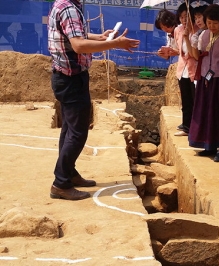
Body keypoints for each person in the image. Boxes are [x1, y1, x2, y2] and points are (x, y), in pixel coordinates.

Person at [48, 0, 140, 200]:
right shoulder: (69, 8)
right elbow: (79, 45)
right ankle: (61, 183)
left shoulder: (64, 4)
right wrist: (114, 43)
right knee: (77, 133)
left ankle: (68, 174)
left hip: (67, 77)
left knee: (69, 129)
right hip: (70, 79)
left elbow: (73, 36)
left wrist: (100, 37)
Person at [189, 4, 219, 162]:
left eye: (215, 23)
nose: (212, 26)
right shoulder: (203, 35)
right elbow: (197, 57)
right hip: (205, 80)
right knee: (205, 113)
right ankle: (208, 145)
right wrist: (192, 42)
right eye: (209, 22)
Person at [170, 3, 198, 137]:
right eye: (181, 17)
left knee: (195, 99)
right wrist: (169, 52)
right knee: (186, 100)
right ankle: (186, 126)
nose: (184, 20)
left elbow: (194, 53)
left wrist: (188, 36)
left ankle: (196, 127)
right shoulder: (178, 30)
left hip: (195, 69)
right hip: (182, 69)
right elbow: (178, 49)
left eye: (186, 16)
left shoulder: (197, 30)